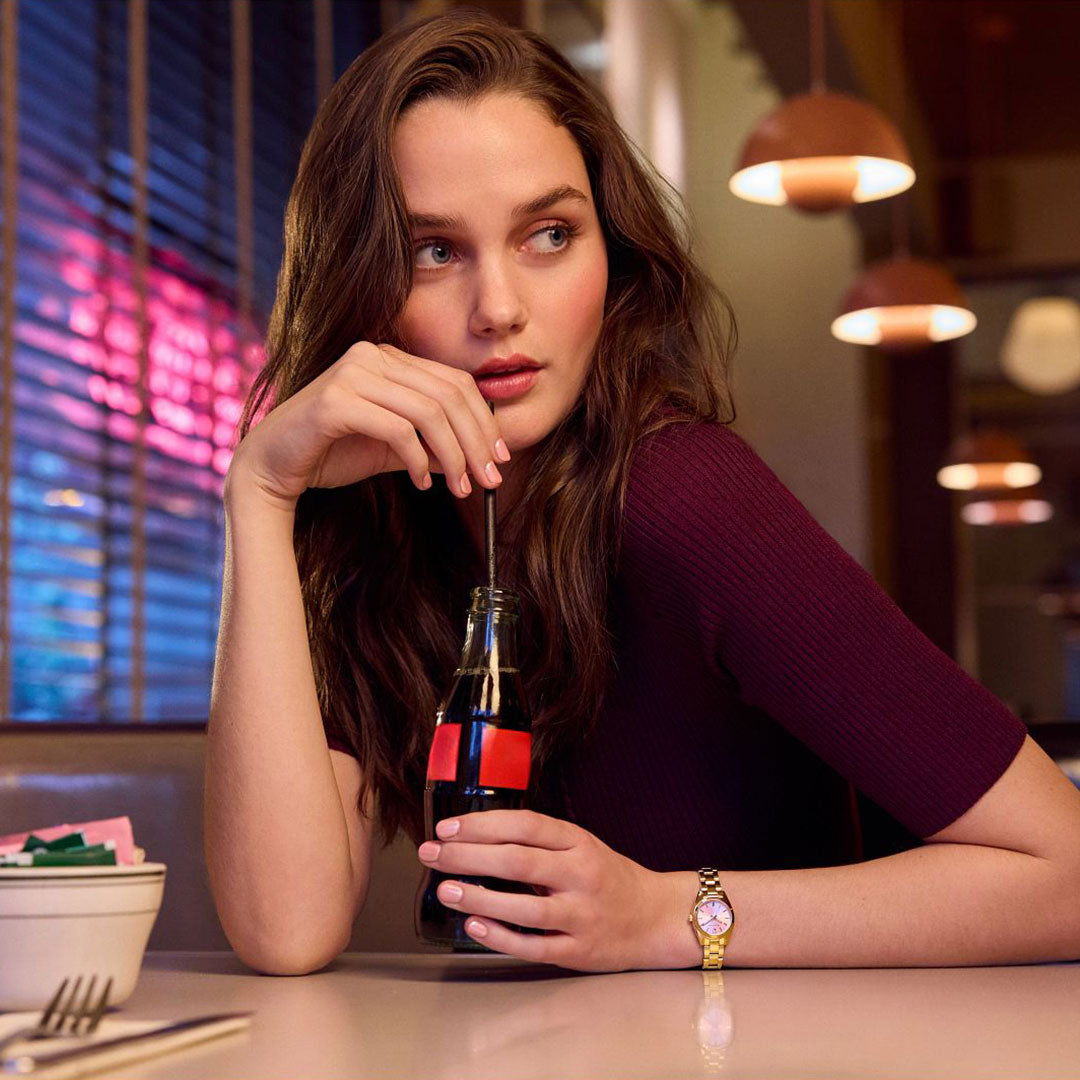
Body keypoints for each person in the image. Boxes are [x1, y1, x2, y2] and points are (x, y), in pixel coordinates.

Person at [204, 7, 1080, 976]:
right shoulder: (377, 530)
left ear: (613, 255)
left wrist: (665, 916)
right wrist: (261, 489)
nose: (499, 308)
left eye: (548, 233)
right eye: (435, 250)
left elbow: (1068, 868)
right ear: (359, 281)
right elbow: (284, 930)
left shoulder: (686, 496)